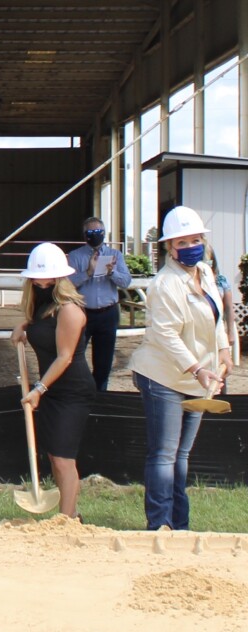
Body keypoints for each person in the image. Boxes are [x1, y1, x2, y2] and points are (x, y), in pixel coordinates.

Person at [129, 206, 232, 531]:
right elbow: (166, 335)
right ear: (170, 248)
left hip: (196, 377)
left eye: (195, 239)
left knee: (181, 457)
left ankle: (180, 524)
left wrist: (224, 350)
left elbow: (214, 318)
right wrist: (197, 368)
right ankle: (160, 524)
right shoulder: (164, 284)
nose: (191, 246)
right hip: (162, 375)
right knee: (164, 454)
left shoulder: (204, 271)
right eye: (182, 242)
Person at [11, 242, 95, 520]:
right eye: (37, 277)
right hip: (51, 390)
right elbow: (41, 328)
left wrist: (38, 389)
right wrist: (24, 326)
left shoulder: (69, 309)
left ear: (60, 277)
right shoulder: (41, 306)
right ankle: (69, 514)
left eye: (47, 278)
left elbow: (65, 357)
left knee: (63, 456)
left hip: (71, 391)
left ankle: (68, 518)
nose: (41, 282)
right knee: (54, 456)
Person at [67, 217, 131, 391]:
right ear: (84, 235)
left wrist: (112, 273)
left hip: (108, 313)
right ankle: (77, 391)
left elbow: (125, 282)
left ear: (104, 233)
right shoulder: (75, 256)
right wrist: (88, 272)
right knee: (74, 355)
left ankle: (100, 393)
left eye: (98, 232)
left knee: (104, 360)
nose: (94, 236)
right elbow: (67, 283)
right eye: (90, 233)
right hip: (82, 313)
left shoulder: (116, 255)